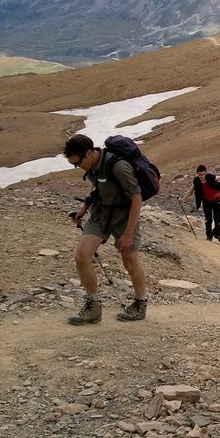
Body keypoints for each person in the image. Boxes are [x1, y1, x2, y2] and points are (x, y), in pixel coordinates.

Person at [64, 134, 149, 325]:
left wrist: (128, 234)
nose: (77, 167)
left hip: (124, 217)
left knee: (129, 261)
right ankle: (93, 307)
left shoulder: (118, 167)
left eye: (77, 163)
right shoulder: (93, 166)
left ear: (88, 153)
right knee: (82, 255)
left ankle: (140, 304)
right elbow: (98, 190)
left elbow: (136, 198)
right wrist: (83, 209)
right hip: (101, 214)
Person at [180, 165, 220, 243]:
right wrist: (182, 200)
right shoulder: (196, 181)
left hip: (216, 201)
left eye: (203, 174)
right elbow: (190, 191)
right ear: (197, 174)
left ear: (206, 173)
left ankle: (217, 234)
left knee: (217, 219)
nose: (201, 176)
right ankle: (209, 236)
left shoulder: (212, 177)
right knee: (208, 219)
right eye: (200, 174)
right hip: (206, 201)